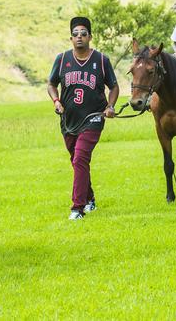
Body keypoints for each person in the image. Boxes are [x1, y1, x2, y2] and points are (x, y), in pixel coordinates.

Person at [46, 16, 120, 220]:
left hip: (93, 118)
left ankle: (77, 208)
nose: (79, 37)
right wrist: (56, 101)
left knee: (80, 157)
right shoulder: (62, 60)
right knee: (77, 161)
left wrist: (110, 106)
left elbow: (113, 86)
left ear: (90, 37)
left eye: (83, 34)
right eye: (75, 34)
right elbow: (51, 84)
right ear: (71, 38)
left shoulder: (101, 60)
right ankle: (90, 199)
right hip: (68, 119)